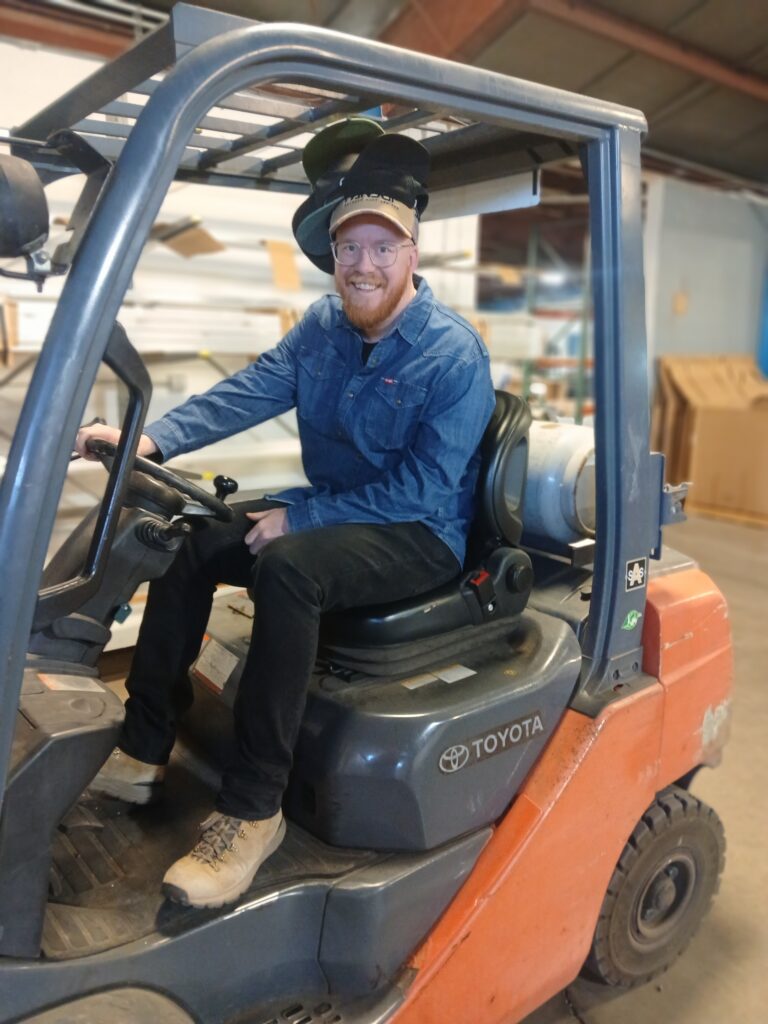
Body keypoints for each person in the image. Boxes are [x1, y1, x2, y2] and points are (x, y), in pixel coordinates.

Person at [76, 121, 495, 909]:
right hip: (336, 514)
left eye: (382, 248)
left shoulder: (452, 354)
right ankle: (141, 749)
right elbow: (249, 390)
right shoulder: (323, 329)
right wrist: (150, 440)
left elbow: (423, 487)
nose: (362, 265)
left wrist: (302, 523)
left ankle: (252, 810)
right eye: (349, 248)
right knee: (193, 541)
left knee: (288, 569)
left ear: (412, 254)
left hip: (418, 532)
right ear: (332, 255)